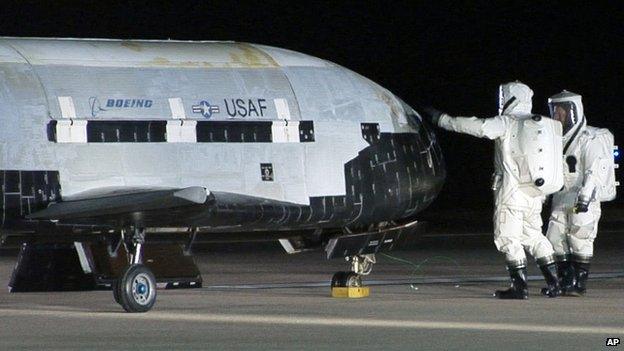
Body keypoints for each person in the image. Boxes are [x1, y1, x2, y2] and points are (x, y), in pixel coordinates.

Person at [420, 81, 564, 299]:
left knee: (507, 238)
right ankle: (555, 284)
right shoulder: (536, 125)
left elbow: (478, 126)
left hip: (511, 193)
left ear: (509, 98)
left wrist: (442, 119)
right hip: (535, 195)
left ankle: (520, 288)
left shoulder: (508, 122)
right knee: (534, 236)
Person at [546, 90, 616, 296]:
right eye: (554, 111)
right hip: (561, 194)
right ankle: (565, 280)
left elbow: (594, 170)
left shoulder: (590, 138)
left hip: (583, 195)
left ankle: (579, 283)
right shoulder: (554, 139)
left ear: (572, 111)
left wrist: (585, 198)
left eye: (561, 111)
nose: (556, 115)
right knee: (554, 236)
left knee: (580, 236)